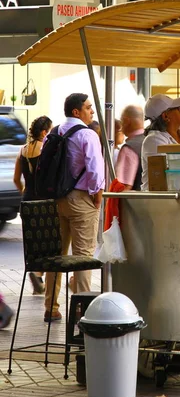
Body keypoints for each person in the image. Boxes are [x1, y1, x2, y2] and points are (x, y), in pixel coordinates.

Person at [44, 93, 105, 322]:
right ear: (76, 112)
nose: (92, 112)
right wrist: (97, 197)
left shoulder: (56, 131)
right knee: (83, 257)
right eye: (88, 108)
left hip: (57, 200)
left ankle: (51, 307)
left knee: (56, 255)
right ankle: (82, 312)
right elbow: (95, 170)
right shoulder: (88, 134)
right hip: (81, 200)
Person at [13, 115, 52, 295]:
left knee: (31, 241)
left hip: (27, 200)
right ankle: (39, 272)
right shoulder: (45, 149)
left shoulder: (22, 150)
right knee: (48, 240)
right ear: (44, 132)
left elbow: (16, 179)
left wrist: (24, 192)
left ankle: (34, 270)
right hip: (43, 200)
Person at [115, 105, 145, 190]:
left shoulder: (129, 148)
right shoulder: (151, 141)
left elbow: (124, 186)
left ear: (126, 121)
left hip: (134, 202)